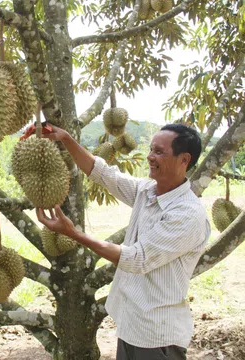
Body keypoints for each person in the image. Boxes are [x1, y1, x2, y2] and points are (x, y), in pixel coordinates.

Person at [36, 123, 210, 360]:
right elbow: (104, 174)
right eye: (151, 149)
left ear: (184, 160)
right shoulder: (147, 191)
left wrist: (74, 234)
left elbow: (136, 258)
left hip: (158, 336)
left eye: (159, 152)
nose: (150, 156)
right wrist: (66, 139)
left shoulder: (188, 214)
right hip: (132, 325)